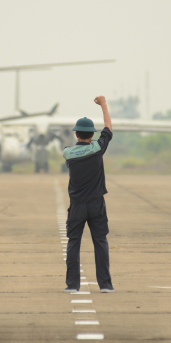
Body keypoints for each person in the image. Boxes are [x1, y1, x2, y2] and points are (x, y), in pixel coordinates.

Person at [63, 95, 115, 293]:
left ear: (76, 135)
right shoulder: (98, 148)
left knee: (73, 243)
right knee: (100, 242)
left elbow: (70, 150)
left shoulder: (68, 153)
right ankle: (105, 285)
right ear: (91, 135)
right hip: (96, 205)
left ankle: (72, 285)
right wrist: (103, 104)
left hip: (76, 206)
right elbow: (108, 127)